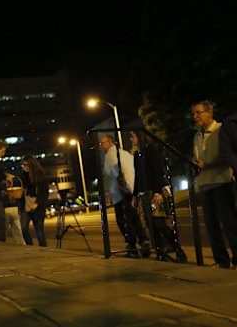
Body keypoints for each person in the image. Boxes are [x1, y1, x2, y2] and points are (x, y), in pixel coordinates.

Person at [191, 100, 237, 269]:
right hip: (204, 184)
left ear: (208, 112)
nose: (195, 117)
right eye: (193, 114)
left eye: (198, 112)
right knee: (211, 228)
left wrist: (207, 164)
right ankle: (221, 261)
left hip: (221, 182)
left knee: (230, 224)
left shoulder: (220, 130)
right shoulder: (196, 136)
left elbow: (227, 155)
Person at [130, 131, 187, 263]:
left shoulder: (151, 151)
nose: (131, 139)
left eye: (133, 136)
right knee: (150, 225)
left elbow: (157, 172)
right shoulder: (136, 155)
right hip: (143, 194)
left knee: (159, 223)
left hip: (154, 191)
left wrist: (157, 192)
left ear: (140, 137)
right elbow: (137, 176)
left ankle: (176, 248)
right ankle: (160, 251)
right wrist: (134, 195)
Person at [99, 134, 150, 258]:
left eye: (102, 143)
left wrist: (126, 187)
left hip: (120, 193)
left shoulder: (110, 156)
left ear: (110, 142)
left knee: (124, 222)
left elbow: (119, 173)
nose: (101, 146)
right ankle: (144, 240)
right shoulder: (125, 153)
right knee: (134, 218)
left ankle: (132, 248)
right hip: (131, 190)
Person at [18, 156, 49, 246]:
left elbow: (44, 192)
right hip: (26, 206)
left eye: (26, 165)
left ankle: (44, 249)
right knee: (23, 228)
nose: (25, 167)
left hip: (37, 207)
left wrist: (38, 203)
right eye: (23, 165)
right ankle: (30, 246)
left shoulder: (40, 175)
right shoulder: (22, 176)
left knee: (39, 231)